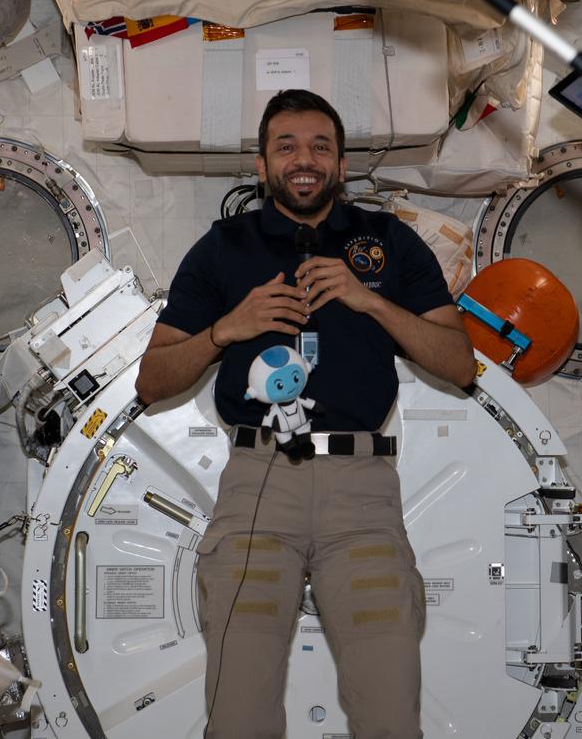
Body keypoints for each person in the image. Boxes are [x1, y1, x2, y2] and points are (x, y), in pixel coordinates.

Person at [135, 89, 477, 739]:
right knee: (239, 716)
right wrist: (227, 329)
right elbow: (152, 380)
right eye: (286, 145)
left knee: (389, 713)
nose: (305, 158)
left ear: (342, 165)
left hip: (362, 492)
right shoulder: (222, 249)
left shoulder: (390, 243)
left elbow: (459, 365)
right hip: (260, 482)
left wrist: (370, 302)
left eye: (321, 146)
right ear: (261, 166)